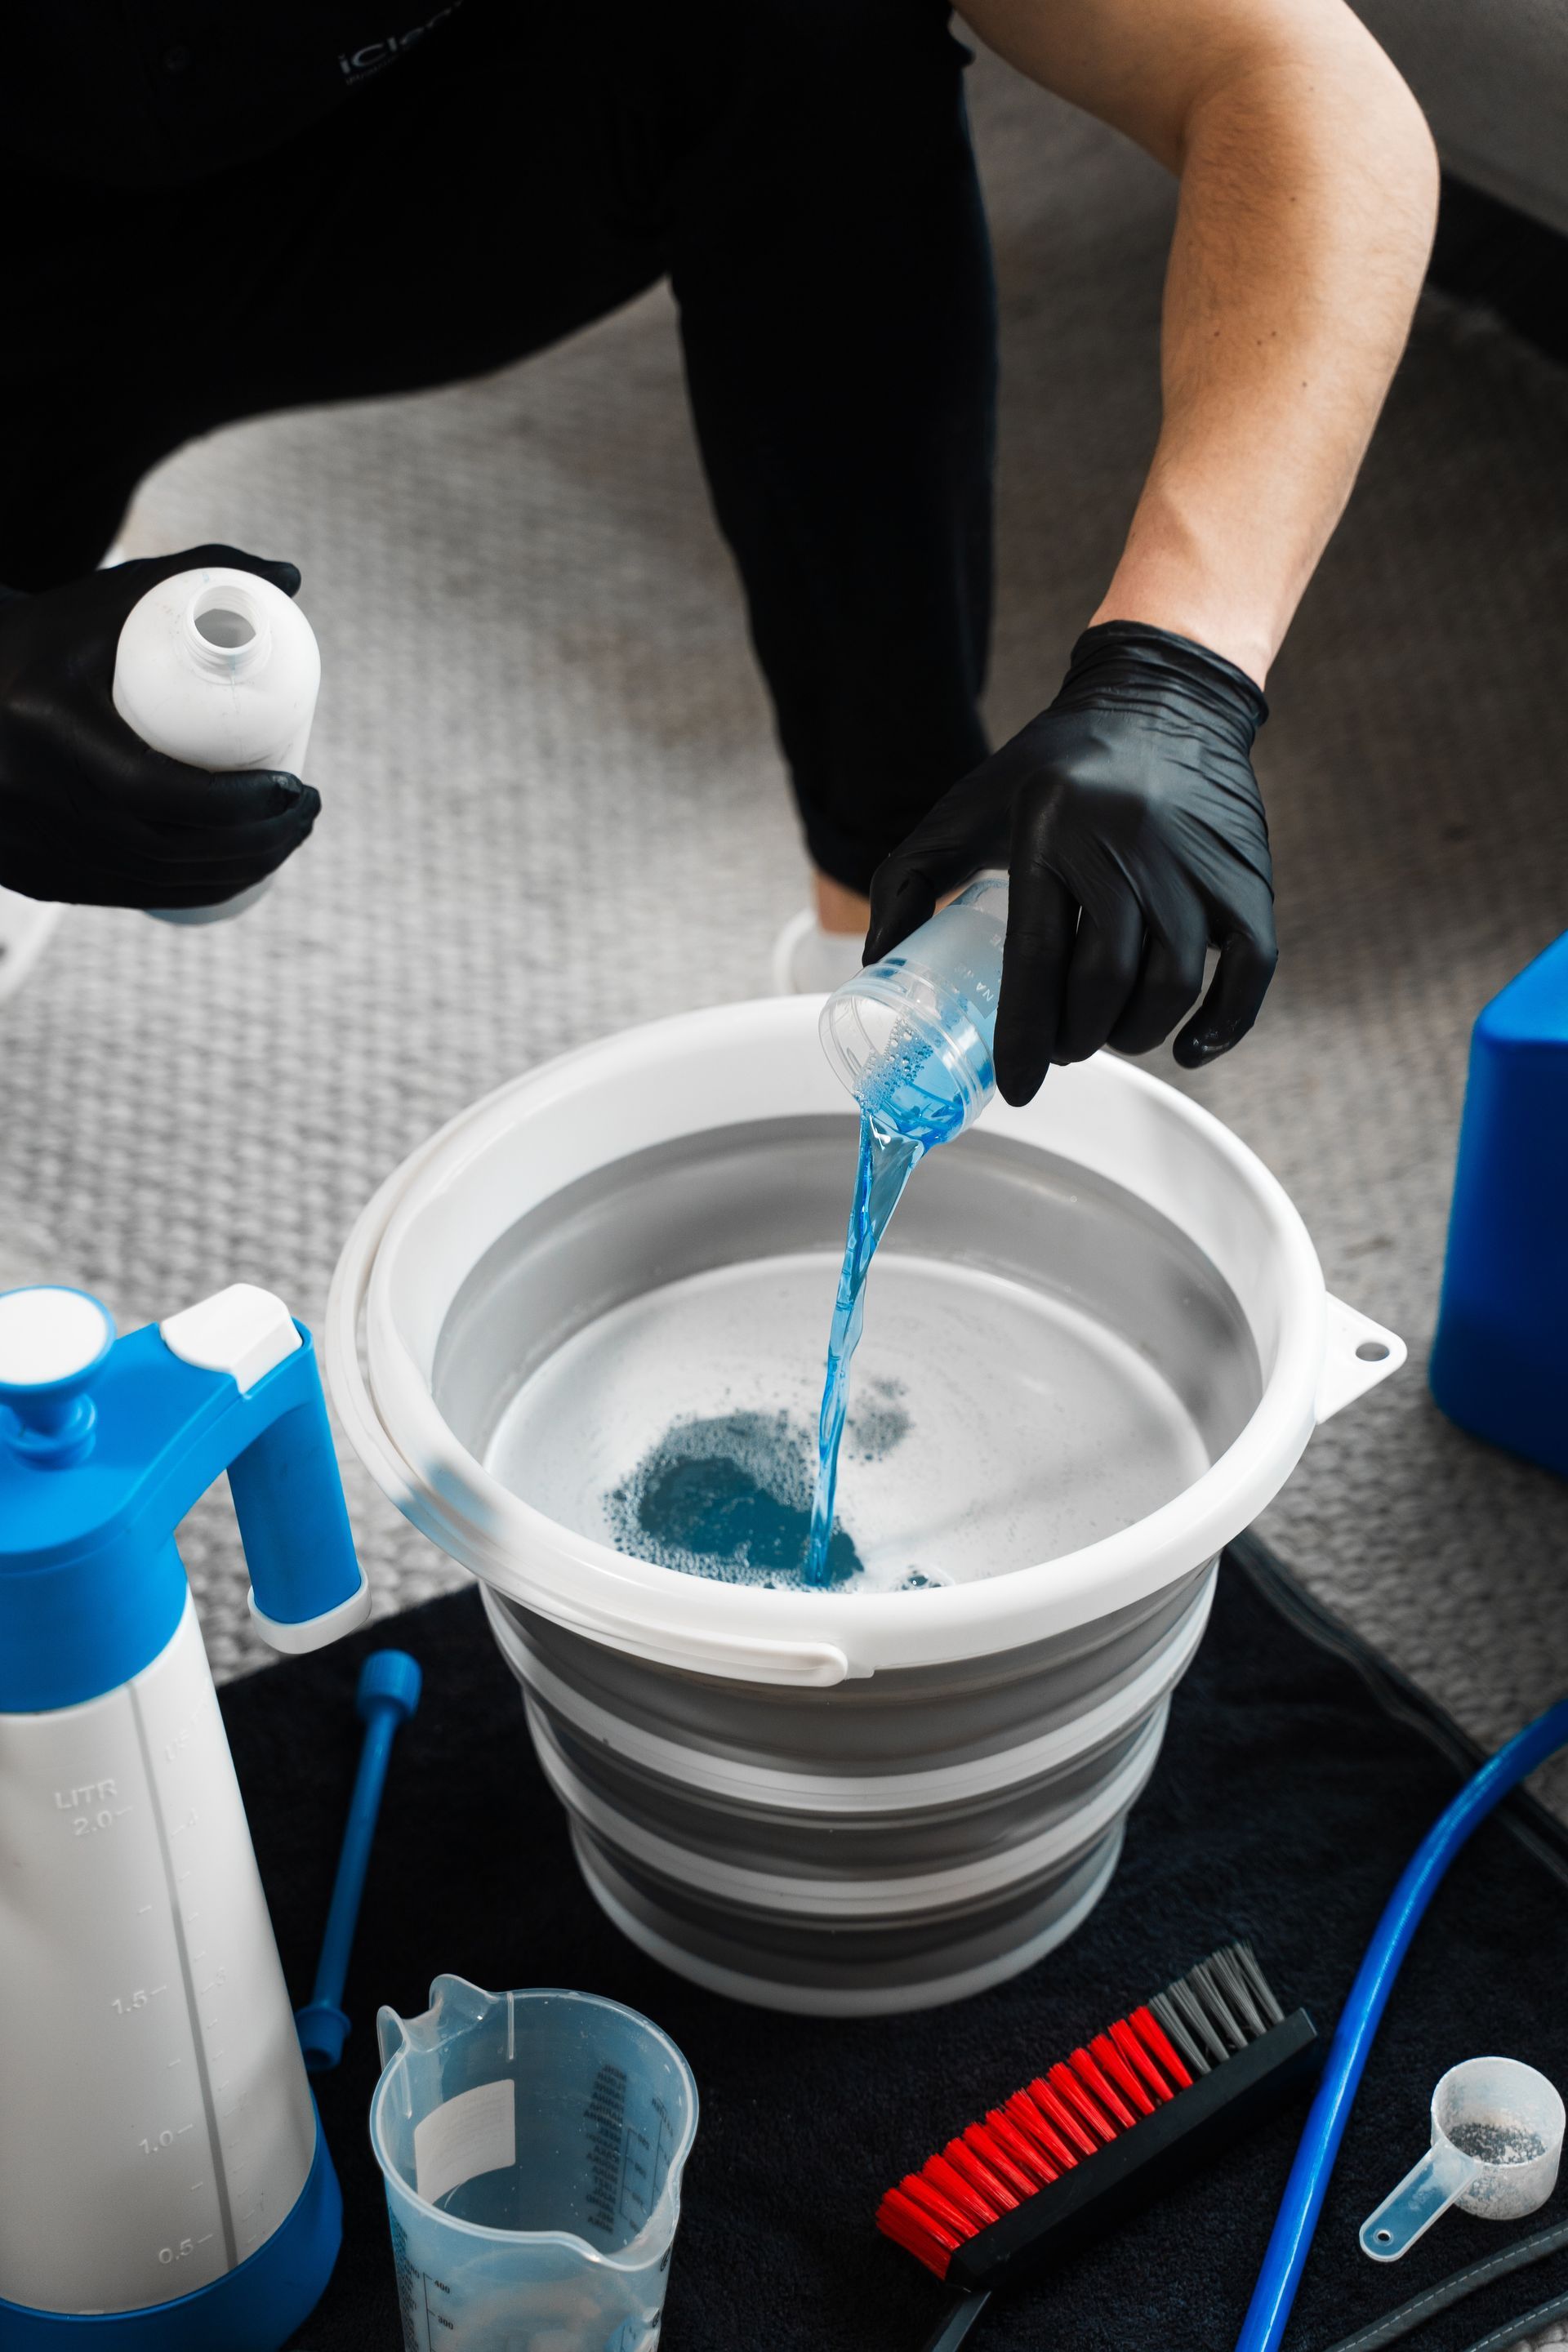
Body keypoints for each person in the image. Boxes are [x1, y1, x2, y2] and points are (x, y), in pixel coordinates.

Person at [0, 0, 1436, 1095]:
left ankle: (892, 909)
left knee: (803, 25)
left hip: (389, 170)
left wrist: (1175, 678)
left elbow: (1294, 83)